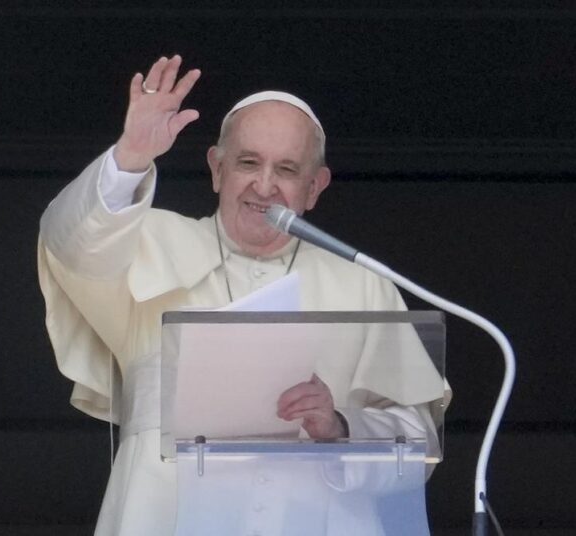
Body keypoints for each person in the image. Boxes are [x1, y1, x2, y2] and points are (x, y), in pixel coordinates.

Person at [38, 55, 448, 535]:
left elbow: (417, 445)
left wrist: (339, 426)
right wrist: (130, 156)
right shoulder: (146, 242)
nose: (265, 185)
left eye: (287, 170)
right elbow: (68, 243)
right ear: (216, 168)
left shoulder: (361, 282)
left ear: (314, 187)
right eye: (248, 162)